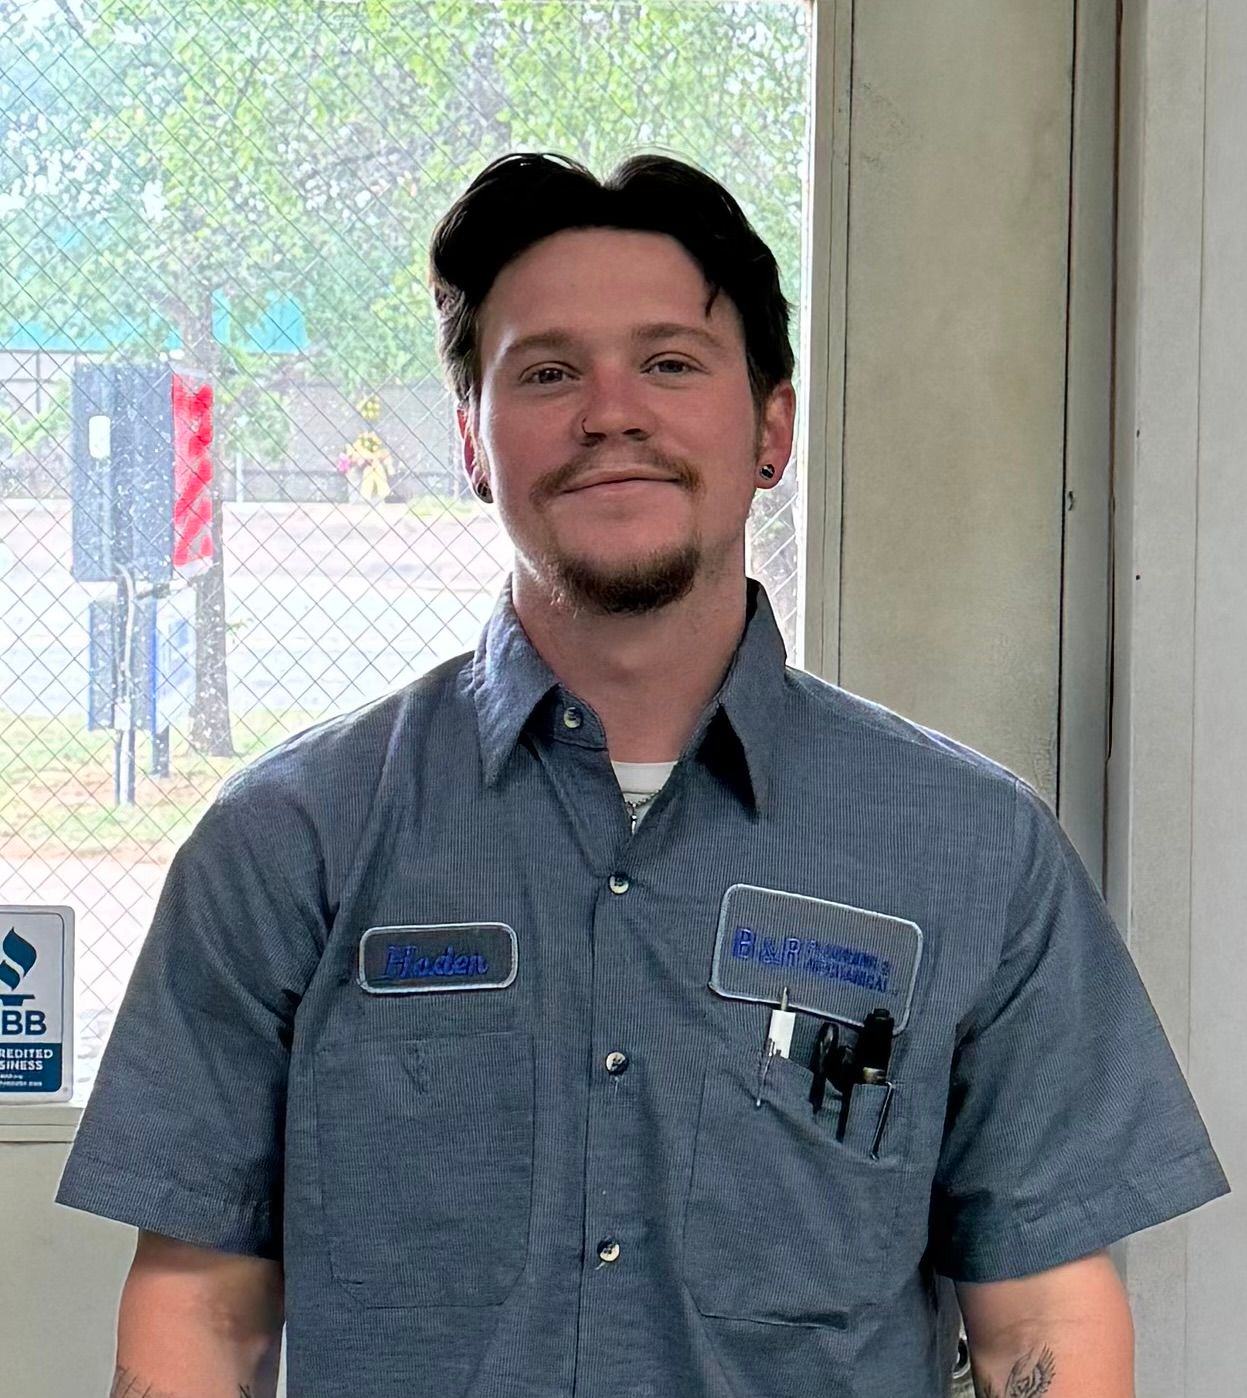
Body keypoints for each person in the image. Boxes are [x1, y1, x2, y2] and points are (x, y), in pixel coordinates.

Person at [59, 151, 1228, 1398]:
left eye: (669, 364)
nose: (609, 412)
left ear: (770, 428)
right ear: (470, 441)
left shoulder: (972, 850)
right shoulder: (289, 843)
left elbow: (1040, 1320)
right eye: (546, 372)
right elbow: (202, 1312)